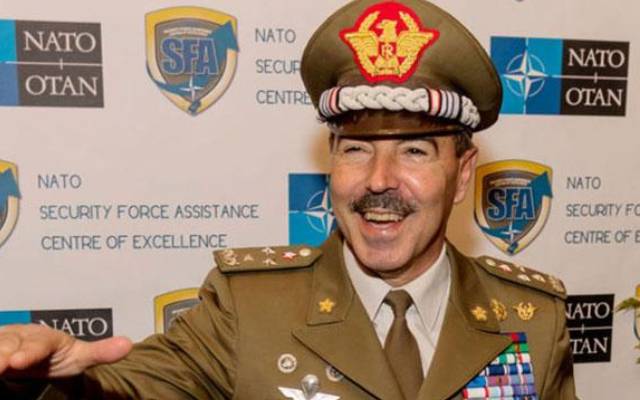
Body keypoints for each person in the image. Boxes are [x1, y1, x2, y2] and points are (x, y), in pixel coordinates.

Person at [0, 0, 577, 399]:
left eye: (414, 151)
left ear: (462, 173)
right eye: (356, 149)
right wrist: (53, 380)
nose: (379, 180)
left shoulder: (533, 318)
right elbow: (129, 390)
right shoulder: (248, 306)